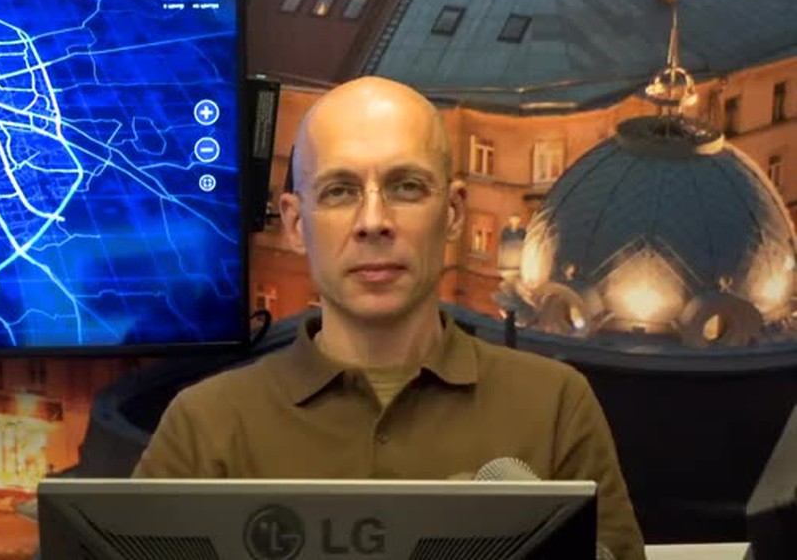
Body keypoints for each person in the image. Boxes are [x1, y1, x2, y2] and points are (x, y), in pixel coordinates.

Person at [133, 76, 645, 560]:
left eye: (406, 187)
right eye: (340, 191)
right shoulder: (204, 424)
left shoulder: (555, 406)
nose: (373, 222)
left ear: (452, 212)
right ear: (295, 223)